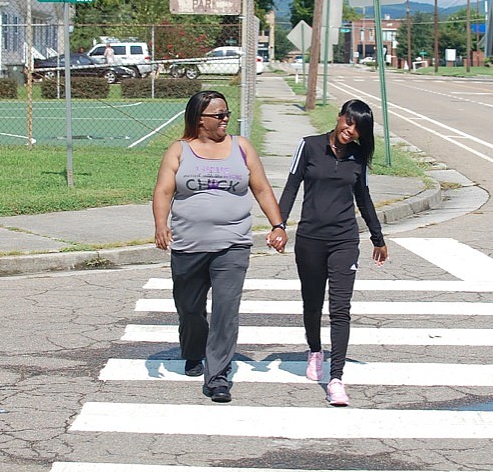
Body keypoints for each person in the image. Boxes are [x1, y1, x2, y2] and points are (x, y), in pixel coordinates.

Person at [153, 90, 287, 403]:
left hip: (233, 244)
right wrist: (161, 225)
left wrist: (277, 225)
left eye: (227, 113)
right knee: (189, 309)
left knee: (226, 310)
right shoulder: (179, 150)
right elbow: (162, 192)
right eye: (219, 115)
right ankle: (193, 350)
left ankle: (217, 377)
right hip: (188, 245)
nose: (226, 119)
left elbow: (262, 188)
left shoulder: (241, 148)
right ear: (201, 119)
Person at [278, 99, 388, 407]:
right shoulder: (309, 146)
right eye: (348, 123)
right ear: (339, 118)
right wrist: (279, 224)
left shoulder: (357, 157)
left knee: (340, 308)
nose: (350, 131)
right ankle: (315, 350)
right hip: (310, 238)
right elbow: (291, 187)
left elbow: (363, 198)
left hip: (344, 240)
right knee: (312, 303)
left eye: (358, 129)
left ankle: (336, 378)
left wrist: (377, 238)